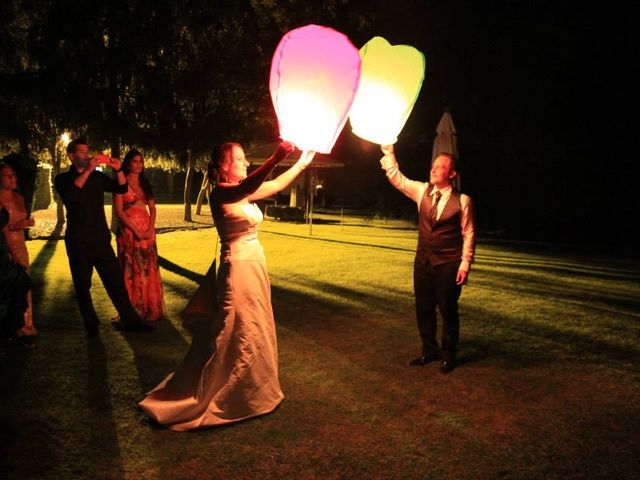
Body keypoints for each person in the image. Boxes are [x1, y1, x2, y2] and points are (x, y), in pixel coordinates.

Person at [140, 140, 314, 431]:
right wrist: (274, 157)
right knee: (232, 327)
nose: (246, 163)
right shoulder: (221, 192)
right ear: (224, 166)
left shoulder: (243, 191)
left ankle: (254, 390)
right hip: (236, 268)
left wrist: (300, 163)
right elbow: (249, 187)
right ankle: (221, 394)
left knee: (255, 324)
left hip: (254, 265)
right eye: (241, 159)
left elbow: (273, 185)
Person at [380, 144, 475, 374]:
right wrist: (389, 153)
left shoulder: (463, 201)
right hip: (422, 261)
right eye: (433, 166)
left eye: (440, 167)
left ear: (452, 174)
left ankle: (448, 354)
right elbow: (397, 178)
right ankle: (429, 350)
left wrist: (465, 263)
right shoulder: (421, 191)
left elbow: (468, 233)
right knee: (423, 308)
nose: (434, 170)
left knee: (447, 309)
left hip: (448, 263)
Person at [54, 138, 153, 336]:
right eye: (81, 152)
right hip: (78, 242)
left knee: (115, 282)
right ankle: (91, 325)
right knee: (82, 286)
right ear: (72, 156)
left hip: (100, 239)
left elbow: (122, 189)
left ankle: (131, 321)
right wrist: (90, 170)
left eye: (87, 151)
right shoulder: (62, 179)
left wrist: (118, 170)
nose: (86, 155)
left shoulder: (98, 179)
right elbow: (73, 194)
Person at [113, 149, 165, 322]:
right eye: (135, 161)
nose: (138, 165)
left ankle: (150, 306)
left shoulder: (145, 184)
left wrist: (151, 228)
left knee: (147, 268)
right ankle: (132, 309)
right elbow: (119, 212)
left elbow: (153, 208)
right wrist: (135, 230)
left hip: (148, 232)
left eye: (140, 162)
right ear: (128, 163)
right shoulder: (121, 183)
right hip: (129, 232)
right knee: (131, 269)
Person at [0, 164, 36, 346]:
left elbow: (20, 218)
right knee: (8, 287)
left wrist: (26, 222)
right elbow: (4, 226)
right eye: (7, 176)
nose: (12, 178)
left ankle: (26, 325)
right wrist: (18, 225)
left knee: (23, 284)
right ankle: (10, 326)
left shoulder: (19, 197)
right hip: (6, 246)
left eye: (13, 174)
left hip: (20, 244)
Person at [0, 205, 31, 345]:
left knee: (14, 289)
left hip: (3, 253)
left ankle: (12, 330)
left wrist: (14, 254)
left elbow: (5, 229)